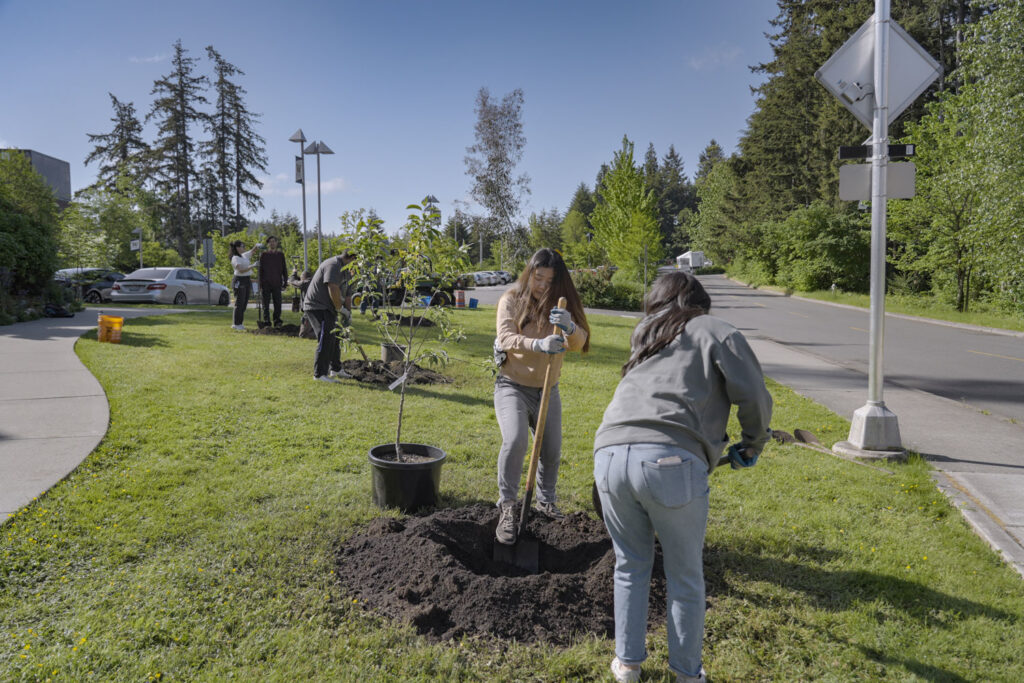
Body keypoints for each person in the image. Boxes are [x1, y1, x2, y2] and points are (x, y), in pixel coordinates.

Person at [592, 271, 773, 683]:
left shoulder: (646, 334)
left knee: (630, 565)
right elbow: (755, 395)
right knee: (684, 574)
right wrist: (753, 444)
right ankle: (687, 675)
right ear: (699, 303)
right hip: (669, 462)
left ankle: (627, 666)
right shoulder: (715, 330)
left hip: (608, 456)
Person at [493, 248, 590, 545]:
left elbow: (580, 342)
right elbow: (505, 338)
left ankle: (546, 502)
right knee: (516, 440)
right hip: (512, 385)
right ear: (529, 274)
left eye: (549, 281)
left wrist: (570, 327)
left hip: (548, 389)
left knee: (551, 450)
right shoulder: (511, 299)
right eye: (538, 278)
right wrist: (539, 345)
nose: (542, 286)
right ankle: (508, 505)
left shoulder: (562, 305)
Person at [303, 251, 357, 383]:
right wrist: (340, 308)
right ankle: (319, 374)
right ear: (351, 258)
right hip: (317, 306)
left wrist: (348, 313)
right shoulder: (333, 265)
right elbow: (332, 288)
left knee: (336, 336)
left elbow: (348, 295)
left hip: (329, 308)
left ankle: (336, 369)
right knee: (326, 337)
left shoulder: (347, 270)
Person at [229, 240, 260, 331]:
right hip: (239, 280)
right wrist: (252, 266)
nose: (244, 248)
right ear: (237, 248)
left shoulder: (244, 255)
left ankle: (240, 323)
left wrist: (257, 245)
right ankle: (236, 324)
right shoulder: (235, 258)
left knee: (245, 303)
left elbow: (252, 251)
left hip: (246, 280)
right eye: (242, 246)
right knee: (239, 303)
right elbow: (240, 270)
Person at [258, 236, 287, 327]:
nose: (272, 243)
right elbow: (260, 270)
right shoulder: (264, 255)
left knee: (278, 304)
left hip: (277, 283)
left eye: (274, 241)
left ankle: (277, 321)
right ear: (268, 244)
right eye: (270, 242)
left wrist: (285, 281)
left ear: (276, 243)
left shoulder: (280, 255)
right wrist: (260, 283)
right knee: (265, 304)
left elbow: (284, 269)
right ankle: (267, 322)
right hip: (266, 283)